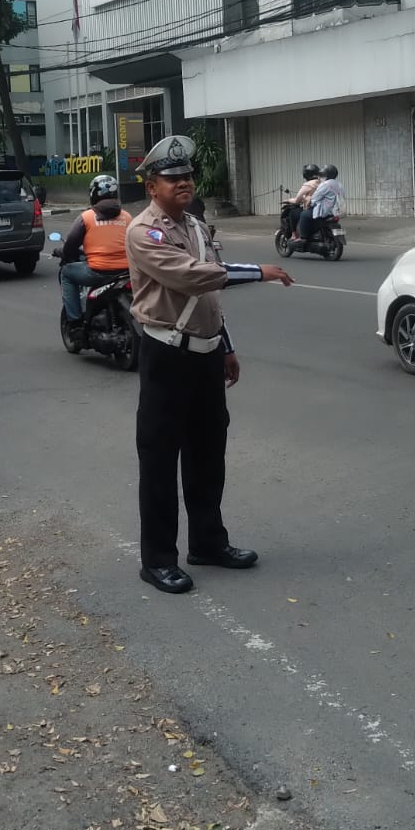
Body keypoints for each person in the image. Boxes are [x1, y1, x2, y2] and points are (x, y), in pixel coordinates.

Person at [126, 134, 294, 595]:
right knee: (160, 460)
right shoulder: (144, 232)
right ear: (152, 187)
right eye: (172, 178)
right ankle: (158, 559)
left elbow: (209, 299)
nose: (183, 183)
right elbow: (190, 277)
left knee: (207, 454)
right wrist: (258, 271)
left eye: (187, 176)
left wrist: (226, 347)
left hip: (204, 355)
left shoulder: (198, 227)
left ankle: (207, 542)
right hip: (166, 355)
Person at [59, 174, 132, 333]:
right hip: (126, 273)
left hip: (98, 272)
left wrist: (65, 255)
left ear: (93, 195)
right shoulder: (127, 217)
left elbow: (71, 244)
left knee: (66, 273)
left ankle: (75, 322)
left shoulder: (86, 217)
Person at [297, 164, 345, 243]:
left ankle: (303, 237)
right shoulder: (339, 184)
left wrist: (309, 203)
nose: (320, 177)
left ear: (326, 175)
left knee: (304, 215)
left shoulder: (325, 184)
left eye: (322, 175)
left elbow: (315, 198)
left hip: (325, 211)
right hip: (336, 211)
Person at [286, 163, 321, 237]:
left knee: (292, 213)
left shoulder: (308, 185)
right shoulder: (322, 183)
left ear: (305, 175)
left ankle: (294, 235)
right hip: (321, 209)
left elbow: (296, 200)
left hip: (310, 209)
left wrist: (288, 200)